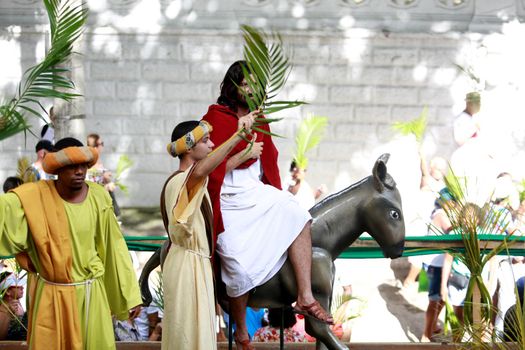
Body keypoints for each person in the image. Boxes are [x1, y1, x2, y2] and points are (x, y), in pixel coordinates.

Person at [202, 60, 333, 349]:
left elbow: (269, 165)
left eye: (254, 84)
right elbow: (208, 170)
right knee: (237, 265)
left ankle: (305, 296)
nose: (249, 89)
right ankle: (240, 332)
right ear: (231, 86)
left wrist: (275, 197)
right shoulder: (215, 117)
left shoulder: (260, 120)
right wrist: (245, 150)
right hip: (225, 196)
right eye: (244, 83)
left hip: (254, 192)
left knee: (296, 212)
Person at [0, 137, 142, 350]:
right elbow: (5, 212)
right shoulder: (33, 196)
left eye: (83, 165)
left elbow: (114, 248)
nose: (79, 171)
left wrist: (129, 295)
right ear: (57, 168)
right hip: (52, 295)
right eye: (71, 166)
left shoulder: (99, 196)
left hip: (91, 295)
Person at [161, 117, 255, 350]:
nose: (212, 145)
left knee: (199, 337)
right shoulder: (181, 180)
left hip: (196, 264)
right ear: (190, 148)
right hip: (185, 265)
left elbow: (205, 173)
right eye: (206, 140)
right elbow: (202, 170)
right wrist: (238, 136)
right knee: (187, 337)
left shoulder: (192, 181)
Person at [86, 133, 120, 217]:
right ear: (95, 147)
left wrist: (107, 180)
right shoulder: (90, 161)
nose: (102, 146)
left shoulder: (97, 159)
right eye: (101, 144)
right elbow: (89, 181)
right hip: (98, 203)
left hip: (104, 199)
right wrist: (104, 180)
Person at [0, 271, 26, 340]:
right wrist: (8, 314)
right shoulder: (2, 310)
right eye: (17, 285)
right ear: (8, 292)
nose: (22, 287)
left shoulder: (17, 303)